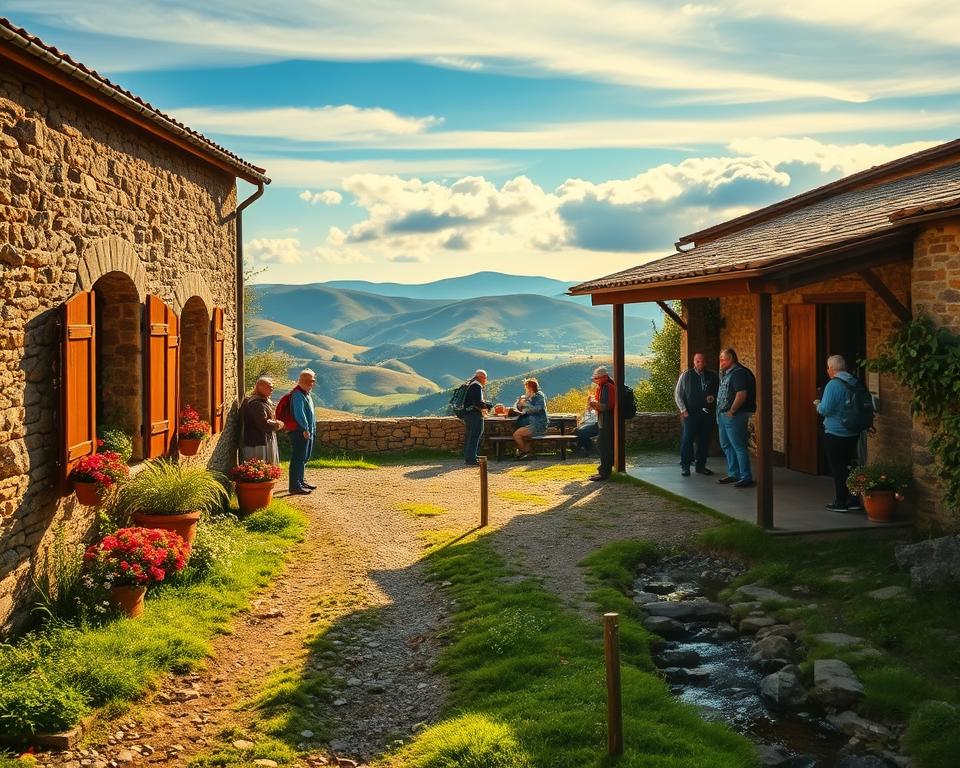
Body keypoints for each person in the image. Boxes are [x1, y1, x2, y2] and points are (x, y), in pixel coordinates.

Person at [816, 355, 864, 513]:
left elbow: (825, 409)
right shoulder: (854, 381)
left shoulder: (833, 385)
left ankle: (840, 502)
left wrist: (818, 404)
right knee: (851, 466)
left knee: (838, 468)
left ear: (832, 368)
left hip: (835, 432)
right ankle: (855, 499)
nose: (827, 370)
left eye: (828, 367)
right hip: (853, 431)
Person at [716, 348, 756, 489]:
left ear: (731, 359)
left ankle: (746, 477)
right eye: (720, 358)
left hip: (734, 415)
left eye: (723, 359)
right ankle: (734, 473)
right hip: (723, 415)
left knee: (738, 446)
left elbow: (741, 394)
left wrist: (732, 411)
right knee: (726, 445)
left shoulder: (738, 373)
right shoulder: (726, 373)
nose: (720, 362)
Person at [674, 352, 719, 477]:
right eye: (697, 361)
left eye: (702, 361)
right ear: (694, 362)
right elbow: (678, 394)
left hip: (707, 414)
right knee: (687, 440)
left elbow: (719, 393)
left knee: (704, 440)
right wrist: (684, 410)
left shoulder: (713, 376)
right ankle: (685, 466)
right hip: (690, 414)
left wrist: (713, 398)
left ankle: (700, 466)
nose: (700, 363)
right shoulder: (686, 375)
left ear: (705, 362)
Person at [285, 369, 317, 495]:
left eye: (313, 381)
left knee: (304, 458)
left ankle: (301, 481)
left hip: (307, 431)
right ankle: (295, 486)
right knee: (298, 458)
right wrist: (305, 428)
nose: (311, 383)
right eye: (308, 381)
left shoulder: (306, 394)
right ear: (301, 381)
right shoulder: (298, 394)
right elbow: (299, 414)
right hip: (300, 432)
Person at [240, 376, 283, 464]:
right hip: (257, 440)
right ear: (260, 388)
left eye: (272, 387)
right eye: (269, 387)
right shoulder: (257, 404)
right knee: (258, 465)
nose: (271, 390)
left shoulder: (264, 401)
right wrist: (277, 424)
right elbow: (263, 424)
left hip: (263, 438)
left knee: (263, 467)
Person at [587, 367, 616, 482]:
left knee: (604, 446)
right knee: (603, 444)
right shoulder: (607, 386)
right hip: (607, 419)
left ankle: (604, 472)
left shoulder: (606, 387)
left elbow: (605, 406)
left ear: (604, 377)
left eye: (597, 378)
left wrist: (593, 403)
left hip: (607, 420)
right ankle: (604, 469)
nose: (596, 380)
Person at [462, 369, 493, 466]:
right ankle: (471, 459)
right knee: (475, 435)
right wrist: (488, 406)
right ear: (481, 378)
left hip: (468, 414)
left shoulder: (471, 384)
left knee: (471, 436)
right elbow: (477, 402)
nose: (485, 380)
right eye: (485, 378)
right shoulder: (476, 386)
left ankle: (470, 456)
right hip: (474, 414)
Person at [512, 379, 548, 460]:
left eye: (526, 386)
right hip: (529, 422)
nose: (526, 389)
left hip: (538, 424)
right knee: (522, 435)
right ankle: (527, 454)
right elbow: (521, 409)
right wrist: (520, 404)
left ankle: (524, 452)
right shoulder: (528, 396)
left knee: (516, 435)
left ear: (530, 387)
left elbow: (538, 409)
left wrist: (525, 403)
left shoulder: (539, 395)